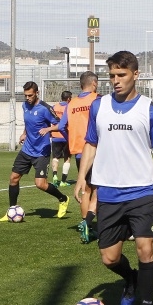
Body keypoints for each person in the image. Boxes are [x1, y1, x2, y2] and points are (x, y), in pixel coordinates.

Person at [74, 50, 153, 305]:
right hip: (108, 193)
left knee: (146, 250)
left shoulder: (149, 109)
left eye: (121, 75)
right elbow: (91, 143)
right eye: (112, 75)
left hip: (141, 191)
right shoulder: (99, 106)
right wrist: (81, 177)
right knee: (110, 258)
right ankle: (130, 279)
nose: (115, 80)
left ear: (135, 75)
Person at [0, 81, 69, 221]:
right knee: (13, 178)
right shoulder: (24, 105)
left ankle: (63, 199)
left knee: (40, 184)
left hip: (41, 152)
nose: (28, 98)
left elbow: (60, 124)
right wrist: (24, 133)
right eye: (25, 95)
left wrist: (48, 129)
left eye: (30, 95)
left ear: (37, 93)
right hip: (27, 149)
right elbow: (28, 122)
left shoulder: (45, 108)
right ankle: (11, 210)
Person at [56, 72, 100, 243]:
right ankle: (90, 222)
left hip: (79, 152)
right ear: (94, 83)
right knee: (100, 189)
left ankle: (85, 225)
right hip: (96, 150)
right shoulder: (97, 99)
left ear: (81, 85)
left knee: (86, 190)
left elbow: (61, 126)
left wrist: (71, 139)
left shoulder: (72, 103)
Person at [50, 91, 72, 187]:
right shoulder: (69, 107)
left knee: (55, 157)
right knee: (67, 158)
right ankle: (63, 181)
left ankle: (55, 176)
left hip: (55, 135)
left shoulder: (54, 107)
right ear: (69, 99)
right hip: (66, 136)